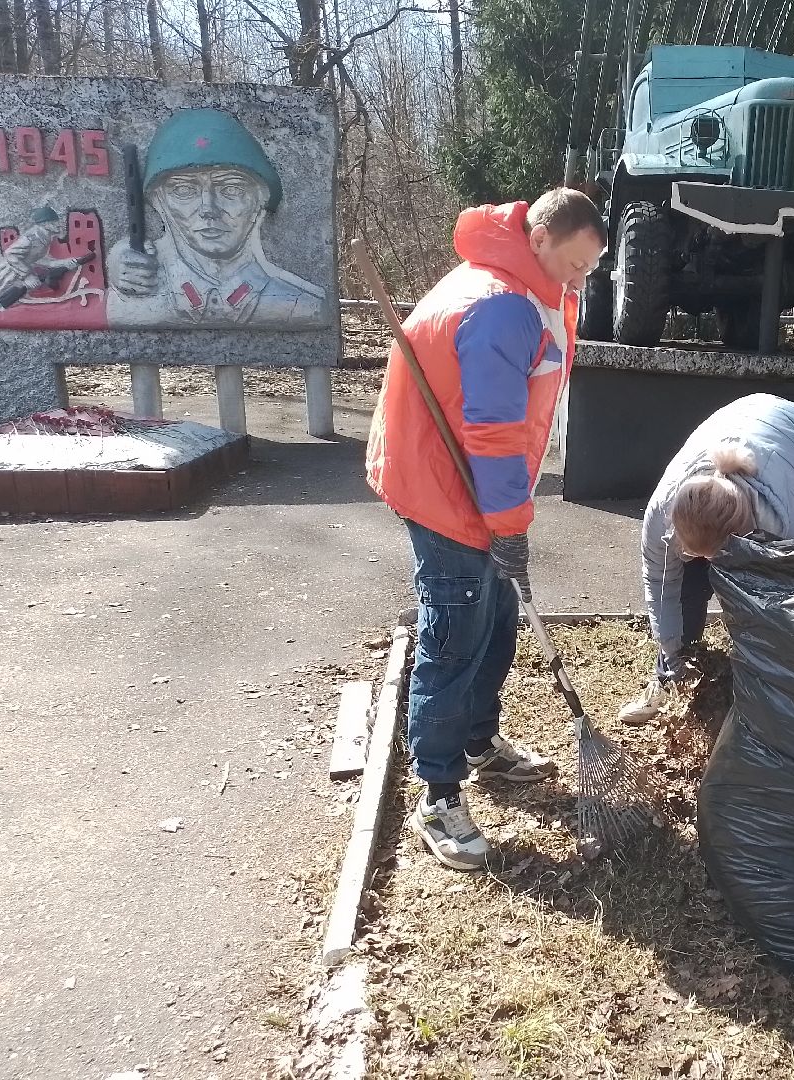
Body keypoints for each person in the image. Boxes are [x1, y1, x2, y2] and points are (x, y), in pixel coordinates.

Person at [366, 189, 607, 871]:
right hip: (450, 495)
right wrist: (508, 526)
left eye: (590, 268)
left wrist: (507, 517)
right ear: (537, 238)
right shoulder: (502, 305)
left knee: (497, 617)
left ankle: (479, 741)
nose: (579, 278)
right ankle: (439, 796)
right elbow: (496, 433)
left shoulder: (526, 285)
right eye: (574, 262)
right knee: (454, 637)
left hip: (474, 487)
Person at [619, 393, 794, 725]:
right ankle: (666, 680)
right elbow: (662, 583)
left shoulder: (784, 523)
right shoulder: (664, 511)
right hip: (742, 422)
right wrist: (672, 653)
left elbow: (789, 603)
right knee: (686, 583)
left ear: (742, 532)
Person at [107, 108, 327, 327]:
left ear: (260, 198)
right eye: (184, 190)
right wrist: (114, 266)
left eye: (231, 189)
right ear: (159, 201)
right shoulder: (125, 300)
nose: (208, 209)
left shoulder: (302, 305)